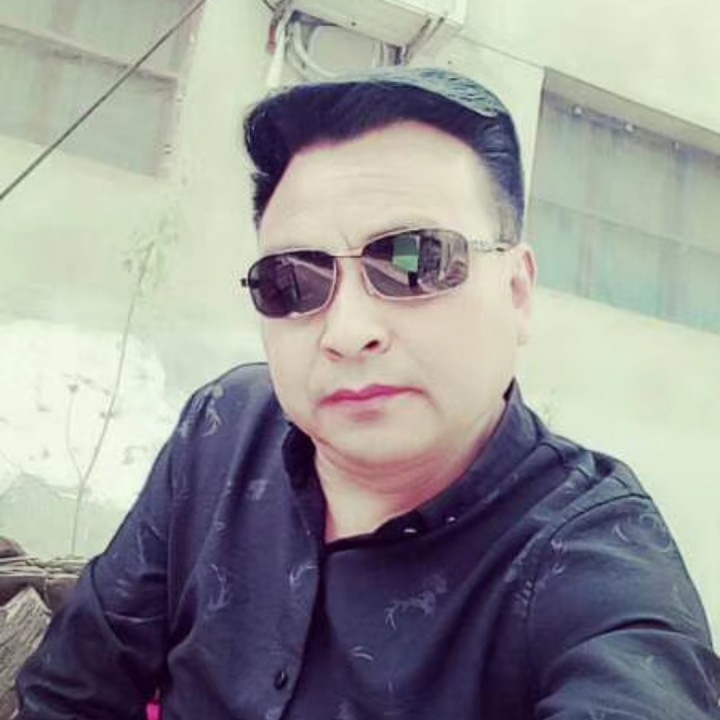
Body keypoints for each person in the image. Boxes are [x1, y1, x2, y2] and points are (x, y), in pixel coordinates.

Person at [16, 67, 720, 719]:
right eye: (293, 282)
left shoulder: (592, 561)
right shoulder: (224, 430)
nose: (348, 332)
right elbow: (74, 689)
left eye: (415, 262)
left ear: (516, 291)